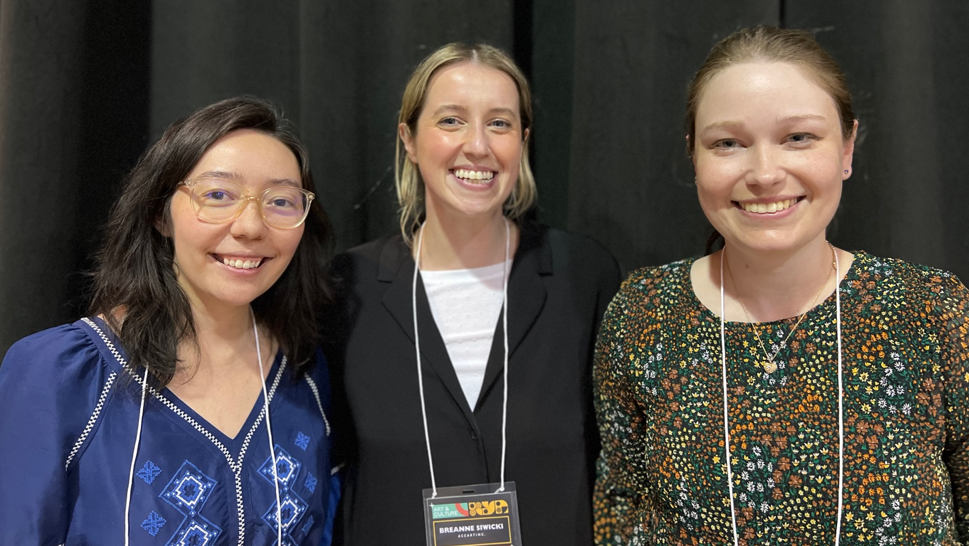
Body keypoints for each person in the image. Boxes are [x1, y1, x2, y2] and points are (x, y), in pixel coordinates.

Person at [593, 26, 969, 544]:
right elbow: (619, 509)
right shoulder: (643, 313)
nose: (765, 173)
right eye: (728, 143)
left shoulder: (930, 310)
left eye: (798, 138)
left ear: (847, 148)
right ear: (694, 156)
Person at [0, 97, 340, 545]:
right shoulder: (62, 372)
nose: (251, 227)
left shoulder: (304, 372)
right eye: (218, 195)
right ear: (160, 214)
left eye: (281, 201)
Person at [326, 43, 621, 545]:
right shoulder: (344, 287)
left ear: (523, 141)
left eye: (500, 124)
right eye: (451, 121)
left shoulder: (582, 274)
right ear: (409, 140)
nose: (478, 145)